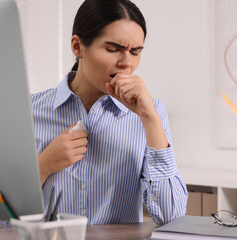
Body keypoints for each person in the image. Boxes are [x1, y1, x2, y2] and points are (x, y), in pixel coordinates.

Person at [32, 0, 187, 225]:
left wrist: (150, 119)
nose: (126, 63)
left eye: (135, 52)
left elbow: (171, 216)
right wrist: (42, 166)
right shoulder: (31, 111)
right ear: (77, 47)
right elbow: (5, 219)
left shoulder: (152, 112)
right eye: (113, 49)